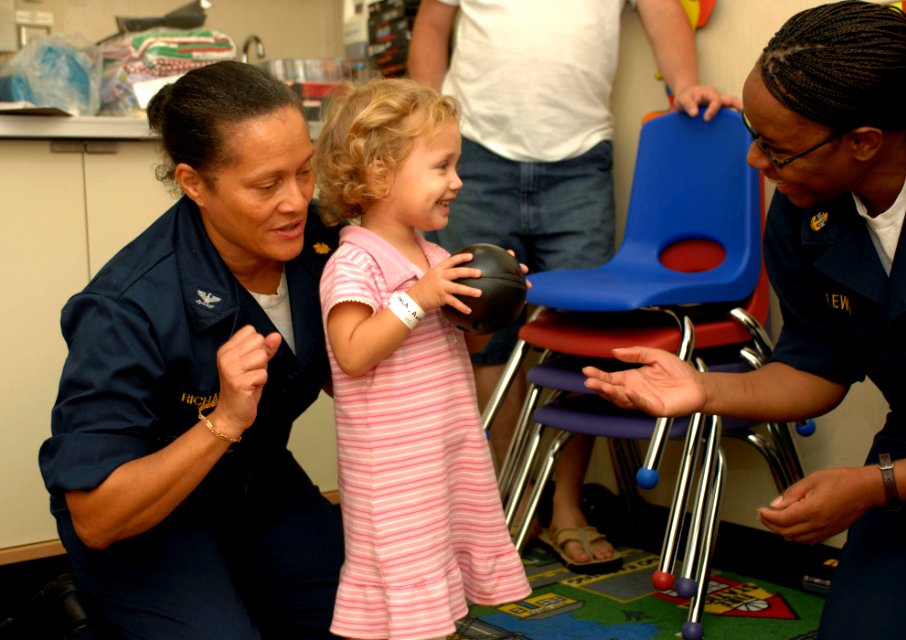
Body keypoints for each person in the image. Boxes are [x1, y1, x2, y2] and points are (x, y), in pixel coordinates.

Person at [582, 2, 906, 638]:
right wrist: (705, 389)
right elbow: (817, 364)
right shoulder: (806, 204)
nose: (757, 163)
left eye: (776, 149)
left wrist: (879, 486)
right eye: (754, 137)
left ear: (864, 142)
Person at [407, 0, 741, 572]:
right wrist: (418, 127)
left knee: (578, 337)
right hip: (475, 156)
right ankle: (512, 501)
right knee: (484, 331)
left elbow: (663, 13)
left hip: (580, 162)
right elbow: (433, 25)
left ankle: (565, 507)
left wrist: (684, 86)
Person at [38, 61, 344, 639]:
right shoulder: (126, 307)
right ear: (194, 182)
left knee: (370, 618)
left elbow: (350, 364)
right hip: (147, 519)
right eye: (265, 184)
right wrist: (223, 420)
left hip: (255, 482)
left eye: (304, 172)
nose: (296, 200)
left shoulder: (322, 247)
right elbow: (97, 519)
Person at [313, 77, 532, 640]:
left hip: (443, 450)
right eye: (442, 166)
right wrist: (421, 296)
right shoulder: (354, 264)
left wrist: (492, 301)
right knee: (403, 587)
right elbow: (353, 353)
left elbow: (467, 344)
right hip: (393, 470)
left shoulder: (436, 255)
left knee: (439, 578)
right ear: (379, 172)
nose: (457, 181)